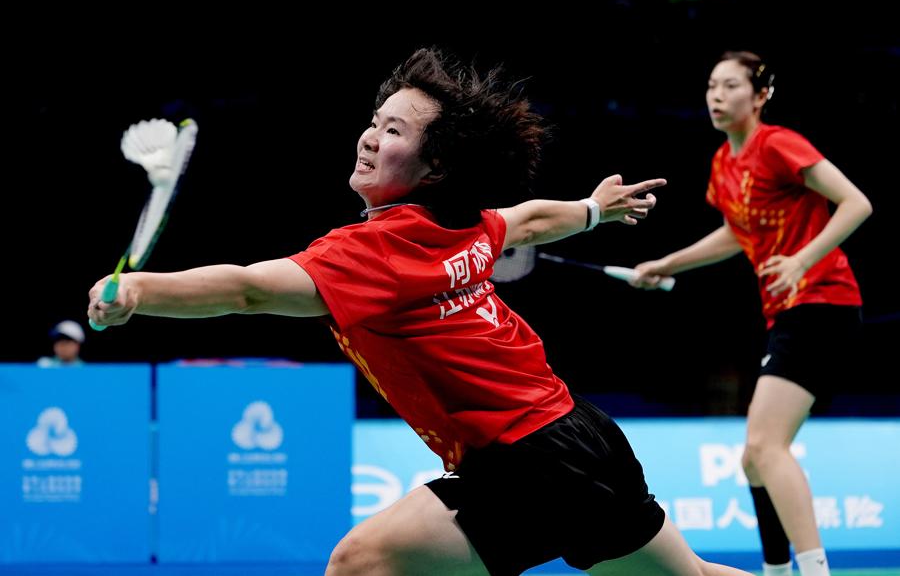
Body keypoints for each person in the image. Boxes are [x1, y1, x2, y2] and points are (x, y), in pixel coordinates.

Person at [89, 47, 752, 576]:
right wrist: (590, 211)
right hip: (578, 439)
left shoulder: (375, 250)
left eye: (394, 131)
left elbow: (247, 290)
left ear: (435, 166)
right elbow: (525, 221)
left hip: (528, 457)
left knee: (359, 563)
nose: (370, 138)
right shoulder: (459, 224)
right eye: (376, 121)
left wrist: (142, 293)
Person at [632, 51, 872, 576]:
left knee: (765, 446)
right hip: (786, 313)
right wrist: (668, 263)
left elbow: (856, 202)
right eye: (711, 86)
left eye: (730, 86)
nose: (716, 96)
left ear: (760, 95)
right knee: (753, 458)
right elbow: (735, 234)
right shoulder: (724, 164)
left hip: (822, 301)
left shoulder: (778, 144)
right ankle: (777, 570)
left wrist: (803, 259)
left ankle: (814, 571)